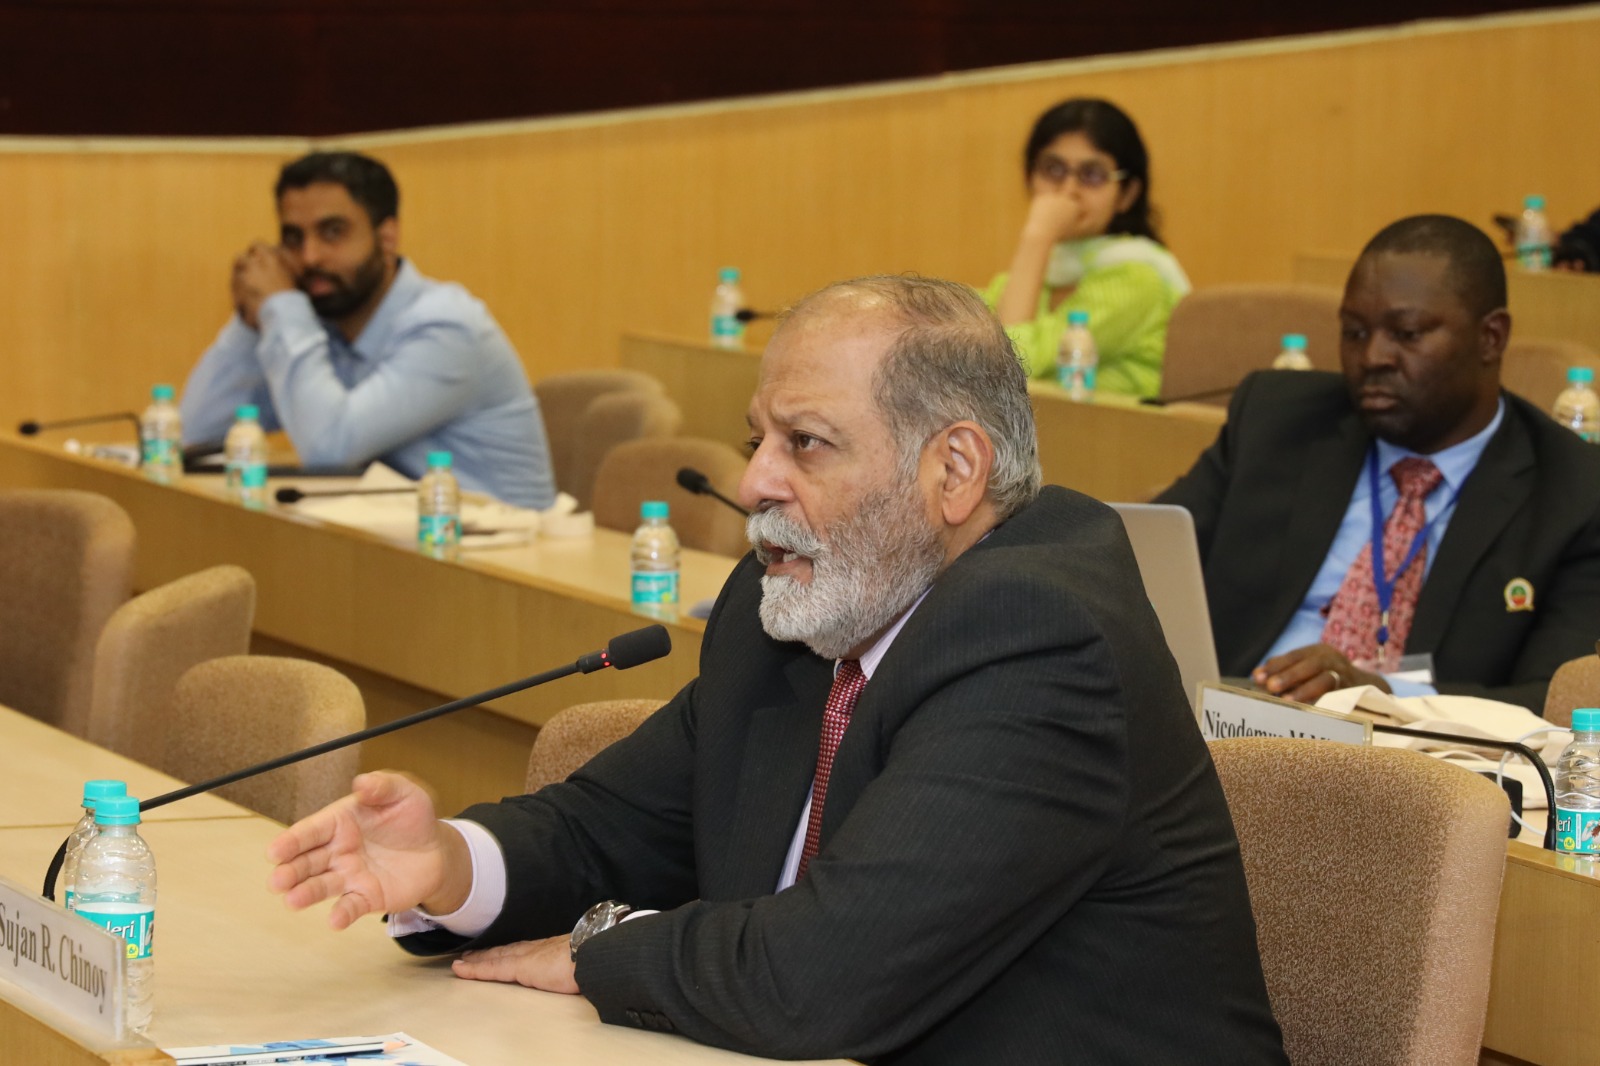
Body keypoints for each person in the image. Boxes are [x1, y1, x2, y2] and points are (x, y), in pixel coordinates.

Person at [267, 276, 1285, 1064]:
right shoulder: (792, 612)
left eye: (806, 444)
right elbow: (611, 826)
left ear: (954, 470)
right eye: (759, 438)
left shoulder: (1039, 634)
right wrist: (449, 862)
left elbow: (822, 975)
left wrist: (596, 951)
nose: (755, 480)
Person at [1158, 215, 1600, 714]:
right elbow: (1144, 557)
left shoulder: (1575, 492)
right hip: (1228, 722)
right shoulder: (1275, 421)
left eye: (1406, 333)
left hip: (1426, 752)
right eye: (1354, 332)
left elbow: (1561, 700)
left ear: (1491, 337)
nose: (1372, 356)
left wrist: (1382, 695)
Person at [180, 151, 556, 509]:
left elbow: (330, 449)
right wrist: (253, 320)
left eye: (333, 232)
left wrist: (282, 307)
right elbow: (196, 433)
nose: (310, 257)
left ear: (387, 237)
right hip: (397, 541)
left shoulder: (445, 327)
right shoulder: (318, 325)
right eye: (294, 238)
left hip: (498, 546)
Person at [981, 98, 1190, 399]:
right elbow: (973, 371)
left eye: (1092, 174)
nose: (1069, 190)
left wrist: (1037, 237)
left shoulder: (1138, 281)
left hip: (1121, 430)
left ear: (1127, 194)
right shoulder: (1015, 282)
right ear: (1030, 177)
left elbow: (1005, 369)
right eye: (1053, 169)